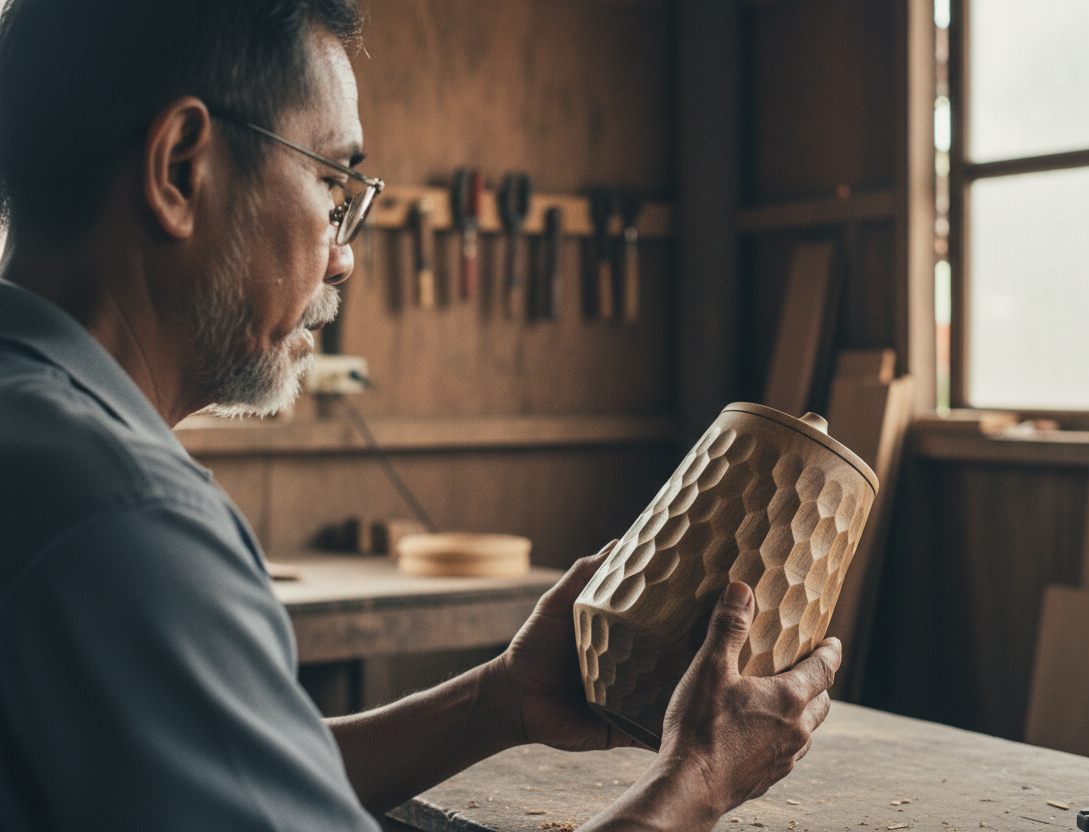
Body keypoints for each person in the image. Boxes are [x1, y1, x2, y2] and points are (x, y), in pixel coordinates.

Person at [0, 1, 841, 829]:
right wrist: (691, 785)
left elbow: (221, 770)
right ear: (181, 168)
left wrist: (499, 701)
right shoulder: (125, 520)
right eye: (332, 184)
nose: (344, 253)